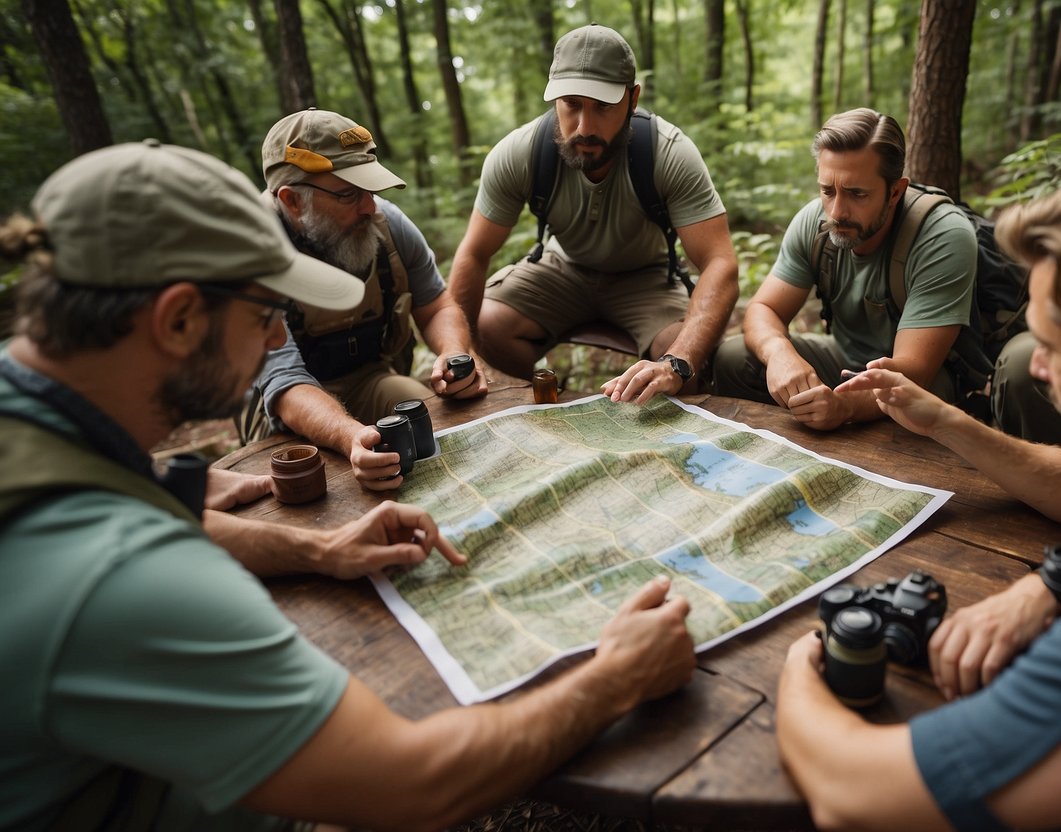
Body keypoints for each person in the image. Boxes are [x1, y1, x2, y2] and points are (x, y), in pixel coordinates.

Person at [0, 142, 696, 831]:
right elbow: (412, 785)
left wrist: (319, 550)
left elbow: (130, 506)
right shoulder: (122, 575)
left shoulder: (33, 410)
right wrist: (617, 680)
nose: (276, 338)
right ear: (178, 319)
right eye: (263, 316)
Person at [776, 157, 1061, 830]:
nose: (1034, 367)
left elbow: (852, 789)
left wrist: (802, 663)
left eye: (1049, 346)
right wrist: (945, 421)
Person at [447, 23, 739, 405]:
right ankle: (543, 405)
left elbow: (720, 263)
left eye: (602, 106)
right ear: (554, 100)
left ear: (633, 100)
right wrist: (458, 353)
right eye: (572, 104)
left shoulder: (668, 153)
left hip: (646, 277)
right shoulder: (519, 153)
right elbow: (473, 253)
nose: (584, 127)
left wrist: (677, 362)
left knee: (686, 365)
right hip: (561, 268)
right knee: (489, 324)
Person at [248, 108, 488, 491]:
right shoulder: (250, 258)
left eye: (371, 190)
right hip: (282, 411)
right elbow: (284, 382)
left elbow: (438, 304)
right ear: (292, 201)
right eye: (349, 194)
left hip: (367, 379)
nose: (370, 207)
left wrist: (454, 354)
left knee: (429, 421)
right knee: (312, 488)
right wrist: (349, 436)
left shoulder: (386, 226)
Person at [712, 107, 979, 431]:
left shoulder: (942, 235)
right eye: (828, 190)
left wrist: (844, 407)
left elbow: (914, 372)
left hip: (924, 380)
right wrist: (779, 353)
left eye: (857, 194)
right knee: (735, 357)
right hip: (845, 361)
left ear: (895, 191)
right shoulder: (814, 223)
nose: (837, 211)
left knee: (908, 410)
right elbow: (763, 308)